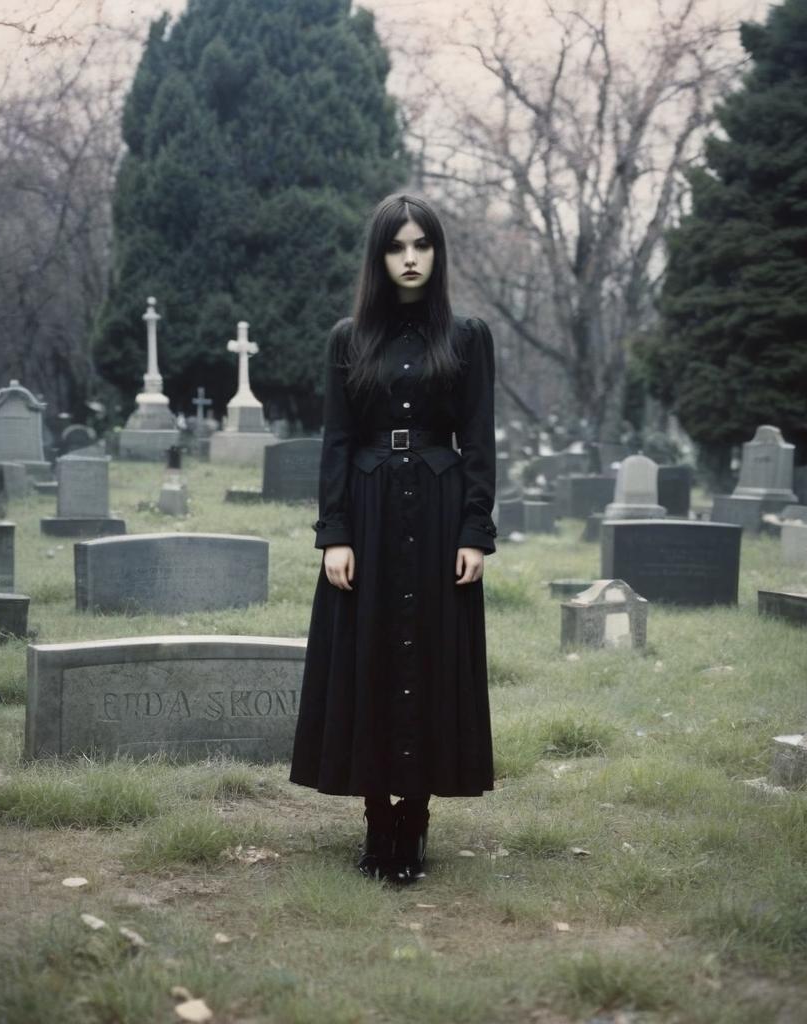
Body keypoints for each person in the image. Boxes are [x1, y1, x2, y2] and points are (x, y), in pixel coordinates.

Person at [289, 192, 497, 884]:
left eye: (422, 246)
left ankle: (417, 817)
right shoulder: (349, 340)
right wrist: (335, 533)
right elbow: (337, 443)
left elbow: (480, 442)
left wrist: (474, 529)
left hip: (438, 517)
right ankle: (378, 818)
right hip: (371, 514)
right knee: (370, 656)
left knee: (432, 657)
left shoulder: (467, 338)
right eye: (397, 247)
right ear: (381, 258)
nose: (411, 258)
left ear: (436, 254)